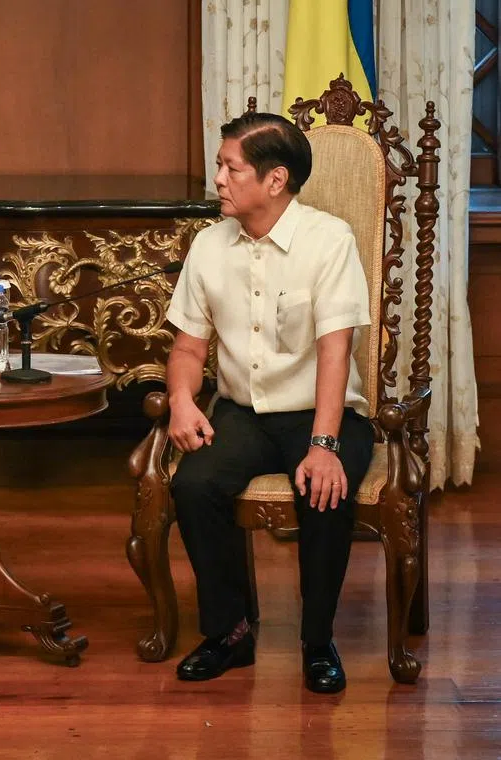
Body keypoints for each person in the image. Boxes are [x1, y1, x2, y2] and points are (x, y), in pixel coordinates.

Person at [164, 112, 374, 694]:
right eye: (220, 166)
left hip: (324, 412)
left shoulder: (329, 240)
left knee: (324, 489)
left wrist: (324, 445)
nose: (218, 179)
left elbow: (335, 351)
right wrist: (181, 400)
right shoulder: (209, 245)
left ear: (275, 179)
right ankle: (230, 633)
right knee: (195, 484)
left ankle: (318, 642)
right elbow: (187, 347)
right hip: (244, 413)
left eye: (231, 168)